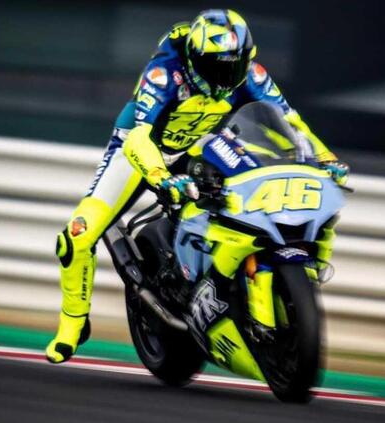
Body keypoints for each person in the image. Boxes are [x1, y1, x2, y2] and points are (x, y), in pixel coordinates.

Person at [46, 9, 348, 363]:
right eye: (215, 68)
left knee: (243, 199)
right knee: (76, 236)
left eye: (233, 67)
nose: (225, 78)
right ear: (194, 59)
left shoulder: (251, 74)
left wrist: (323, 158)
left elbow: (289, 121)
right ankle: (73, 324)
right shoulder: (164, 73)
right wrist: (161, 177)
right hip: (143, 151)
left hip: (199, 146)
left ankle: (216, 284)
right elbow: (139, 137)